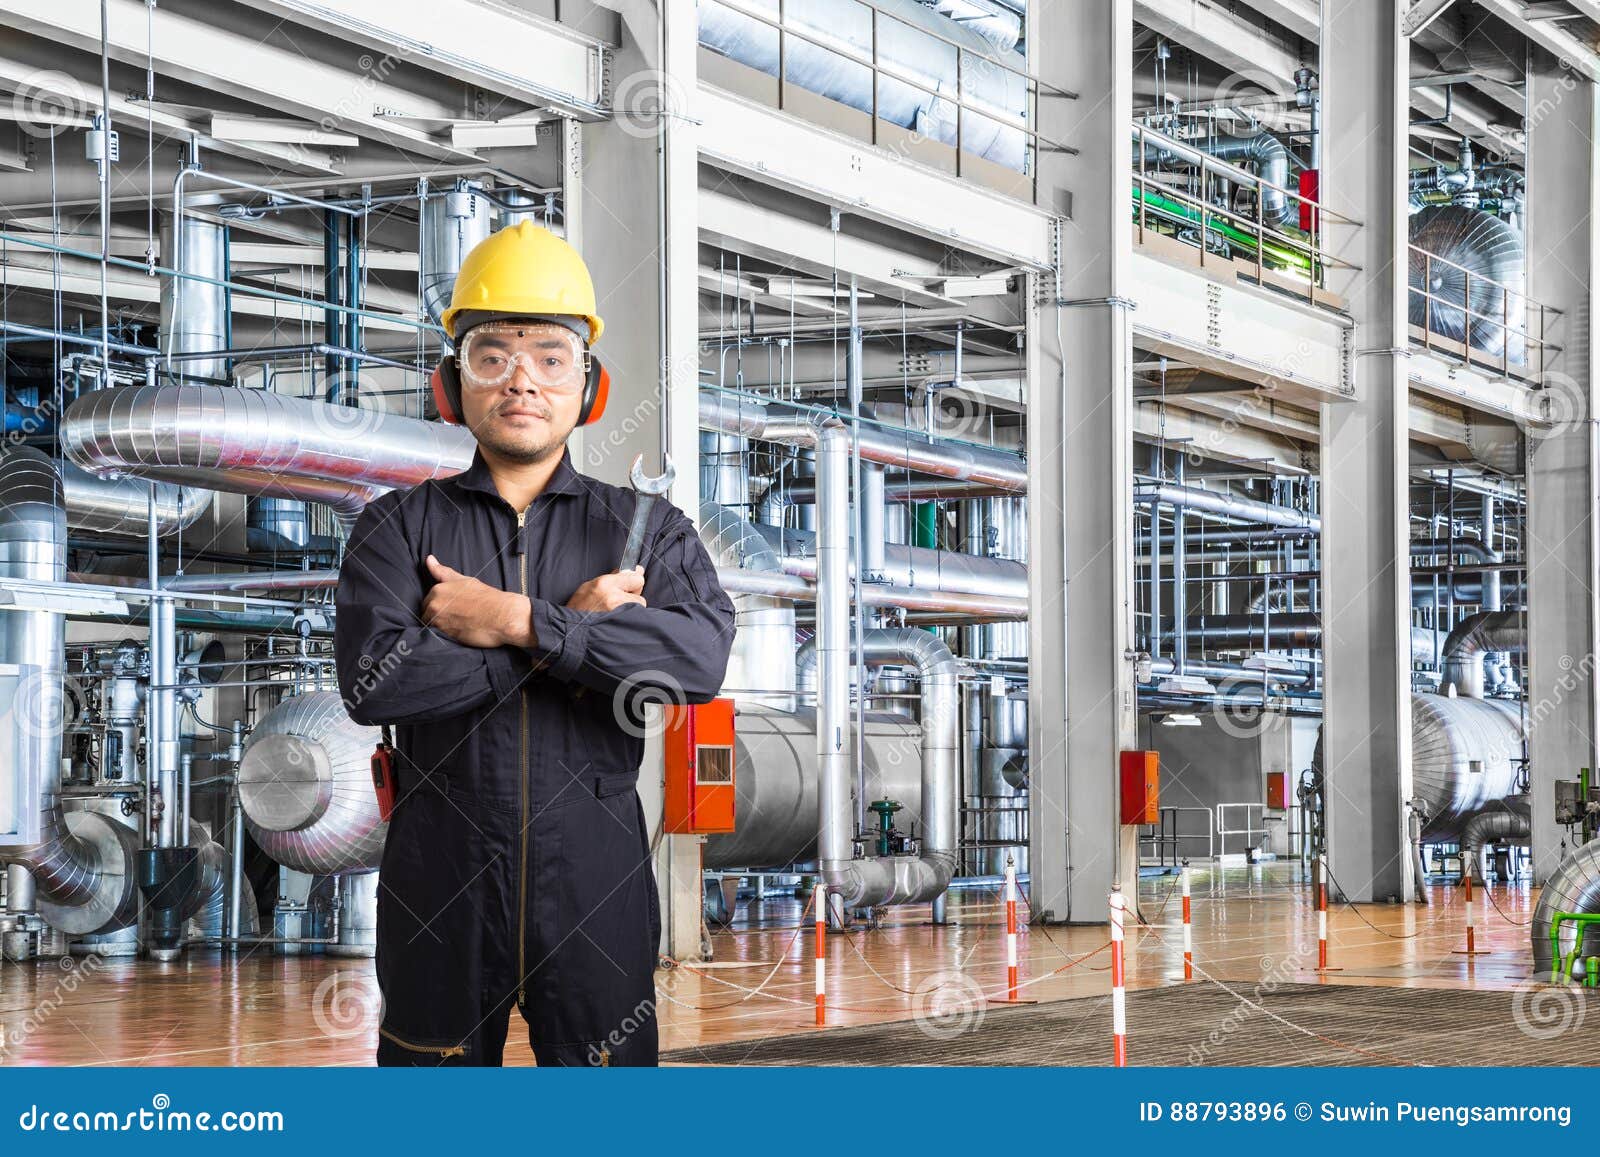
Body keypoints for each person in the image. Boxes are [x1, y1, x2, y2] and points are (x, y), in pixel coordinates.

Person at [334, 221, 735, 1066]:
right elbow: (378, 683)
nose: (522, 380)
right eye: (492, 355)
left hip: (596, 887)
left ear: (588, 386)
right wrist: (584, 632)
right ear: (453, 383)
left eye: (551, 356)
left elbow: (696, 660)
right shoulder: (395, 528)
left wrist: (521, 620)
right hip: (439, 890)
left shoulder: (644, 531)